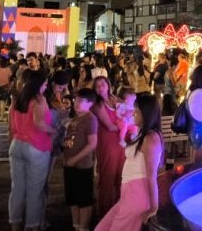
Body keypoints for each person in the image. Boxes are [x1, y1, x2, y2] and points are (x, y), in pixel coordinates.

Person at [94, 94, 164, 231]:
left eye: (136, 111)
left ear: (146, 113)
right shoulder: (143, 134)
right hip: (129, 193)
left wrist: (153, 208)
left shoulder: (151, 139)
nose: (133, 113)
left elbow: (152, 176)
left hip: (137, 194)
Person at [8, 70, 56, 231]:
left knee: (17, 188)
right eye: (45, 84)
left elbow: (11, 125)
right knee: (35, 190)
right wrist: (53, 130)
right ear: (38, 84)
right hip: (36, 146)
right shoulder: (39, 99)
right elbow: (39, 123)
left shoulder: (18, 99)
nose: (46, 86)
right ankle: (32, 225)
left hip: (17, 145)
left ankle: (15, 224)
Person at [62, 88, 98, 231]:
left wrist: (74, 159)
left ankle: (84, 227)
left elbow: (92, 144)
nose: (76, 103)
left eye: (81, 101)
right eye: (75, 100)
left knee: (84, 199)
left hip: (82, 165)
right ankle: (76, 224)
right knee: (72, 198)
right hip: (69, 164)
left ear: (90, 103)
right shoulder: (76, 118)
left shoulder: (90, 119)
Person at [91, 75, 125, 218]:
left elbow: (127, 113)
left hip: (120, 143)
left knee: (121, 177)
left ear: (108, 85)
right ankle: (104, 215)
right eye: (97, 85)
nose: (100, 88)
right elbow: (110, 126)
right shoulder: (97, 104)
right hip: (107, 143)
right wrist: (125, 127)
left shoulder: (114, 99)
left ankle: (119, 211)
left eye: (103, 84)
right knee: (107, 178)